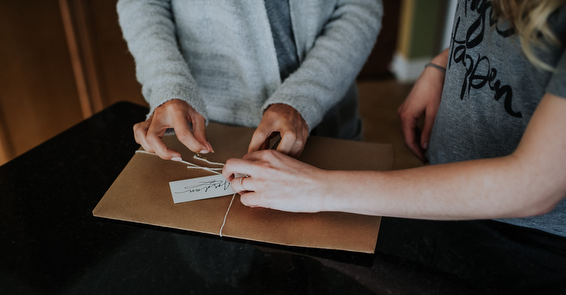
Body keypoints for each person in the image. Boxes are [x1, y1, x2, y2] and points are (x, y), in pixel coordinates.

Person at [222, 0, 566, 238]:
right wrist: (448, 61)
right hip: (445, 193)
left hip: (534, 239)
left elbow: (533, 186)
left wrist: (317, 188)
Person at [116, 0, 383, 160]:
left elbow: (359, 7)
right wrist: (167, 83)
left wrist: (304, 98)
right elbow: (143, 5)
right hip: (214, 133)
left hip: (330, 124)